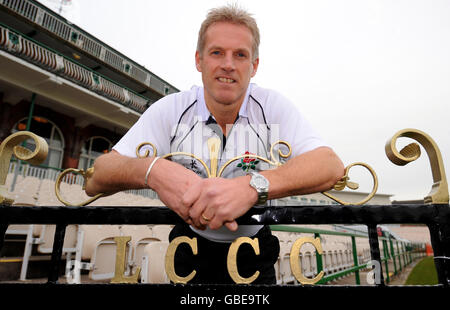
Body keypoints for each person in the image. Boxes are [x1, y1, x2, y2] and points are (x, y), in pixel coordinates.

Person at [85, 4, 344, 284]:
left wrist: (252, 186)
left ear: (254, 66)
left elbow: (330, 166)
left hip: (255, 249)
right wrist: (152, 171)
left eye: (240, 55)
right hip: (187, 247)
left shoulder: (272, 106)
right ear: (199, 60)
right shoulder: (171, 109)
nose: (228, 64)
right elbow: (97, 176)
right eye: (217, 52)